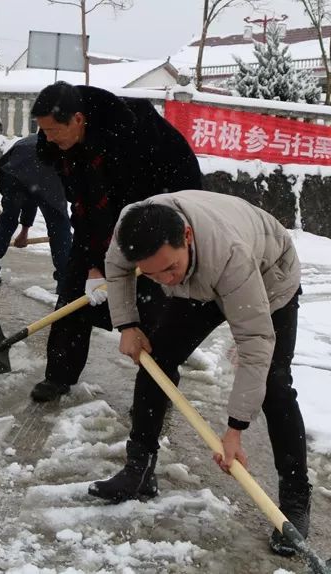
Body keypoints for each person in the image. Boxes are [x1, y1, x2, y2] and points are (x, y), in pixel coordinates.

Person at [92, 190, 311, 557]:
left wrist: (234, 430)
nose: (165, 280)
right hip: (203, 276)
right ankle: (139, 468)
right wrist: (128, 324)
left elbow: (255, 341)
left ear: (187, 238)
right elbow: (116, 269)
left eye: (169, 268)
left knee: (274, 384)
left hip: (269, 275)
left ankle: (294, 502)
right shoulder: (130, 229)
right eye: (153, 273)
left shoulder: (230, 256)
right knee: (157, 358)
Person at [28, 82, 203, 403]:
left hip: (161, 213)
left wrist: (110, 265)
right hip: (109, 216)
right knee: (71, 297)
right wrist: (93, 265)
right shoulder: (61, 145)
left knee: (151, 312)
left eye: (53, 130)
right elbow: (83, 207)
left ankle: (156, 394)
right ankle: (58, 375)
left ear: (78, 119)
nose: (48, 137)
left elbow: (125, 213)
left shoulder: (129, 139)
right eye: (44, 131)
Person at [0, 135, 72, 292]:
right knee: (60, 228)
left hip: (14, 173)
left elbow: (29, 194)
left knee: (7, 219)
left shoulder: (29, 143)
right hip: (45, 175)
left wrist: (24, 229)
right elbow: (33, 191)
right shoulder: (61, 145)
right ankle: (65, 285)